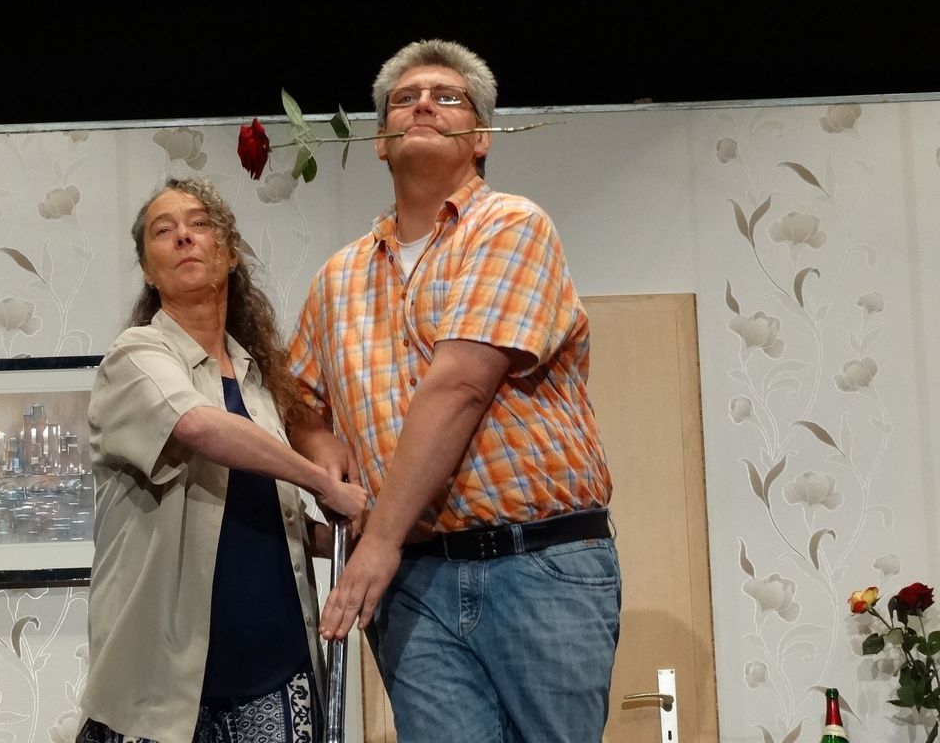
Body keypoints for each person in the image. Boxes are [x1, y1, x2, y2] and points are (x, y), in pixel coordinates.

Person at [288, 39, 622, 742]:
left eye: (447, 97)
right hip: (415, 578)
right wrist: (320, 443)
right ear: (380, 141)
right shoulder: (337, 278)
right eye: (404, 100)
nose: (423, 106)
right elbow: (296, 401)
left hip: (538, 564)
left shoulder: (510, 225)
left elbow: (462, 385)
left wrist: (377, 542)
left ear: (482, 136)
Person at [76, 176, 366, 743]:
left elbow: (253, 506)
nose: (184, 236)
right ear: (147, 269)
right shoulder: (136, 356)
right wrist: (321, 482)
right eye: (163, 231)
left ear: (229, 253)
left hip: (276, 664)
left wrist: (337, 538)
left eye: (200, 224)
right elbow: (200, 426)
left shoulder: (261, 380)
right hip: (163, 680)